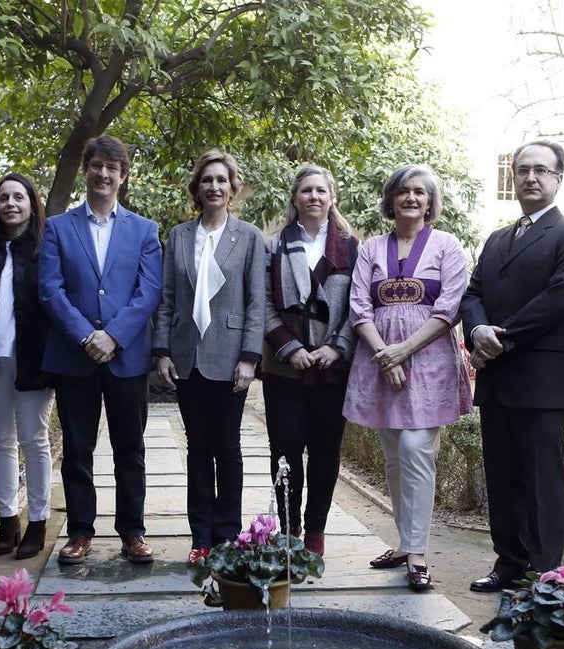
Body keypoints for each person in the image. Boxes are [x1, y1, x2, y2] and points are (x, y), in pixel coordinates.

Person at [461, 141, 564, 592]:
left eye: (541, 170)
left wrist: (501, 338)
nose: (530, 178)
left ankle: (546, 571)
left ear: (559, 178)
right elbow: (473, 293)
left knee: (541, 479)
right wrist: (477, 332)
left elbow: (558, 299)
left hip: (539, 378)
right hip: (496, 377)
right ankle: (509, 562)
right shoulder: (498, 238)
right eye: (522, 171)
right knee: (501, 476)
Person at [344, 164, 474, 591]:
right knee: (395, 455)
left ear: (430, 201)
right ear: (391, 199)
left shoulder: (447, 246)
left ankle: (417, 553)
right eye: (403, 192)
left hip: (429, 361)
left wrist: (404, 350)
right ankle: (404, 543)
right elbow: (359, 306)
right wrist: (385, 353)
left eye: (420, 192)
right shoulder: (371, 248)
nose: (411, 198)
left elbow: (449, 308)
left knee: (418, 449)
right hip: (379, 362)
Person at [39, 135, 163, 566]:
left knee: (131, 449)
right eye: (97, 166)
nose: (104, 174)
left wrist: (113, 336)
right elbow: (50, 290)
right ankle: (79, 532)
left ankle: (132, 532)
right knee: (77, 450)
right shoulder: (57, 227)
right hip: (75, 359)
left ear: (123, 176)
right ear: (86, 170)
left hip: (126, 358)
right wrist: (85, 336)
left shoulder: (145, 230)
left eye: (113, 168)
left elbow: (148, 292)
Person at [152, 149, 267, 563]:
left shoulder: (250, 237)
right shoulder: (180, 236)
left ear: (232, 188)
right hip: (187, 356)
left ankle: (229, 535)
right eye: (206, 180)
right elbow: (166, 299)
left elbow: (257, 301)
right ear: (196, 189)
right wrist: (162, 350)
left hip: (231, 355)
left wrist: (250, 356)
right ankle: (201, 538)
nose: (214, 187)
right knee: (197, 448)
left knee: (228, 447)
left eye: (221, 180)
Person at [261, 165, 359, 557]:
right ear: (295, 198)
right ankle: (289, 528)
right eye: (306, 191)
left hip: (333, 370)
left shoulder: (353, 248)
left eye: (321, 191)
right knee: (284, 450)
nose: (314, 197)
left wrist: (336, 346)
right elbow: (263, 303)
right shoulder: (273, 246)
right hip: (284, 368)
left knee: (325, 452)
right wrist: (290, 347)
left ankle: (315, 529)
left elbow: (360, 307)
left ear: (331, 198)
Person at [0, 174, 55, 560]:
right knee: (1, 440)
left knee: (34, 440)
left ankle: (38, 521)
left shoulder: (45, 247)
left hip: (33, 358)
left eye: (18, 196)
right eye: (4, 197)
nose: (10, 203)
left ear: (31, 203)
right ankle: (8, 520)